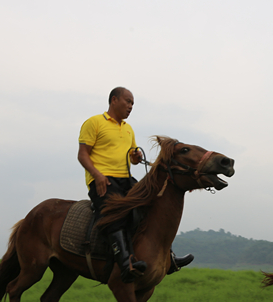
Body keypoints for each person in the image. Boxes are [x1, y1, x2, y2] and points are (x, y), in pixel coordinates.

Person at [78, 87, 193, 282]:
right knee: (114, 214)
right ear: (114, 100)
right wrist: (97, 176)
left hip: (125, 178)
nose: (131, 106)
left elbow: (132, 159)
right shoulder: (94, 122)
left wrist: (136, 157)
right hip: (103, 179)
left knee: (153, 205)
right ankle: (125, 263)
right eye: (127, 101)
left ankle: (169, 258)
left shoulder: (128, 128)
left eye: (132, 103)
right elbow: (82, 154)